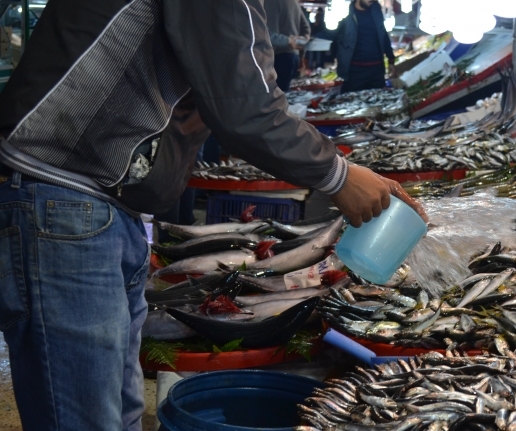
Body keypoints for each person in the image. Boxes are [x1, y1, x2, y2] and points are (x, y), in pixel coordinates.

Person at [0, 1, 425, 430]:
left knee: (117, 413)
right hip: (62, 198)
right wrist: (339, 176)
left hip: (98, 204)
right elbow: (245, 102)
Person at [332, 0, 396, 93]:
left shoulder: (376, 9)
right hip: (355, 71)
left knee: (377, 102)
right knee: (353, 102)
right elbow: (336, 39)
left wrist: (391, 59)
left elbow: (383, 34)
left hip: (376, 69)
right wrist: (335, 59)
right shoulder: (345, 13)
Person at [265, 0, 311, 91]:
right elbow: (306, 30)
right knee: (285, 94)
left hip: (278, 55)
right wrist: (300, 49)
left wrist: (288, 41)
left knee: (276, 96)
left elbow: (266, 34)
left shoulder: (270, 2)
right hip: (293, 56)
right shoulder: (294, 3)